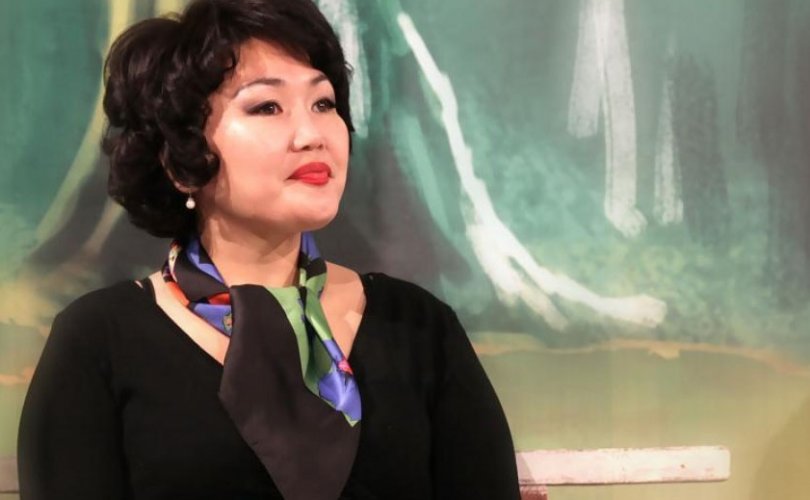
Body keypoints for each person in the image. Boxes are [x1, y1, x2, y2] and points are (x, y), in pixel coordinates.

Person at [16, 0, 520, 498]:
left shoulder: (419, 328)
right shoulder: (98, 341)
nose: (312, 135)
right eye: (267, 107)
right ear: (180, 158)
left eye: (324, 103)